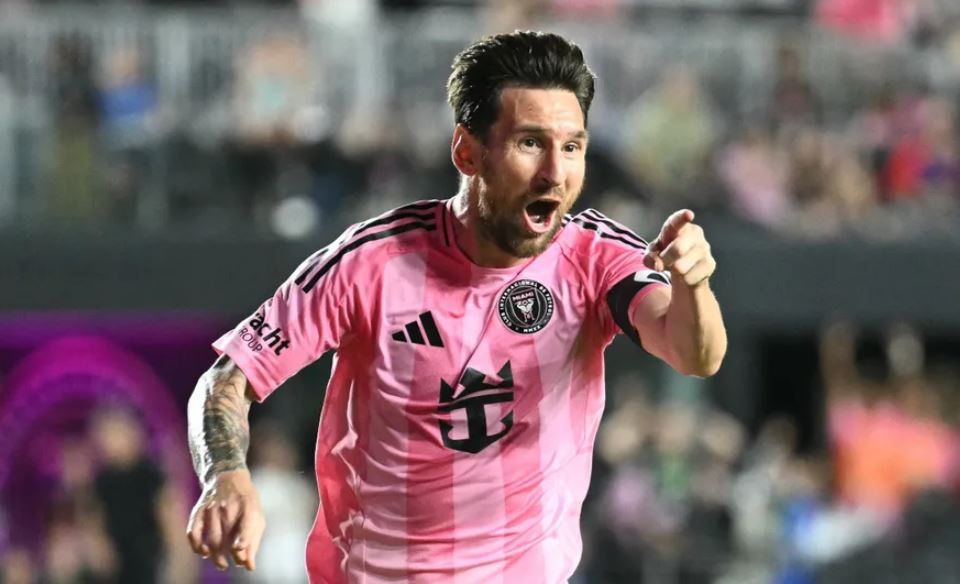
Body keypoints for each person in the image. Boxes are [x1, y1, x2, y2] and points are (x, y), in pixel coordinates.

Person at [186, 30, 727, 583]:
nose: (555, 172)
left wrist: (694, 285)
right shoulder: (371, 262)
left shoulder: (595, 256)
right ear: (467, 151)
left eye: (572, 147)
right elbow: (228, 379)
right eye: (530, 143)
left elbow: (694, 353)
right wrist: (225, 474)